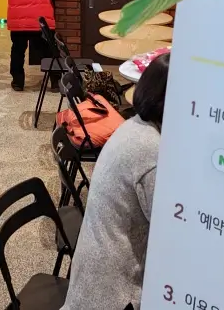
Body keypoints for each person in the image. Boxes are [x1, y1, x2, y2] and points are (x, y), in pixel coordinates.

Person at [61, 54, 171, 310]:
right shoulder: (151, 152)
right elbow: (170, 233)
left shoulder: (133, 126)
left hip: (91, 278)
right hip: (114, 294)